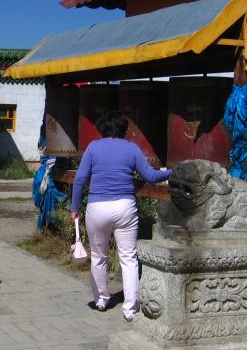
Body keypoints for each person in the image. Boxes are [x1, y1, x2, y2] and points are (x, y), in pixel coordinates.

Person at [71, 111, 172, 321]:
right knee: (128, 258)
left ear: (103, 129)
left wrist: (75, 207)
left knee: (99, 257)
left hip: (97, 207)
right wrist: (171, 172)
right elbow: (150, 176)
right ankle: (130, 308)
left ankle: (101, 299)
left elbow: (80, 179)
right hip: (125, 207)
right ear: (124, 130)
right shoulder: (131, 148)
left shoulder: (93, 147)